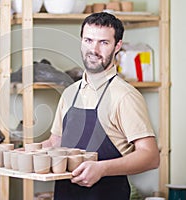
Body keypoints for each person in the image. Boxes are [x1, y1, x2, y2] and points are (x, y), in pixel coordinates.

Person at [41, 12, 160, 200]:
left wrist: (102, 169)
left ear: (117, 46)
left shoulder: (125, 96)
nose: (93, 49)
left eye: (103, 42)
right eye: (88, 40)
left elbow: (150, 156)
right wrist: (24, 153)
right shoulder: (69, 93)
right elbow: (56, 143)